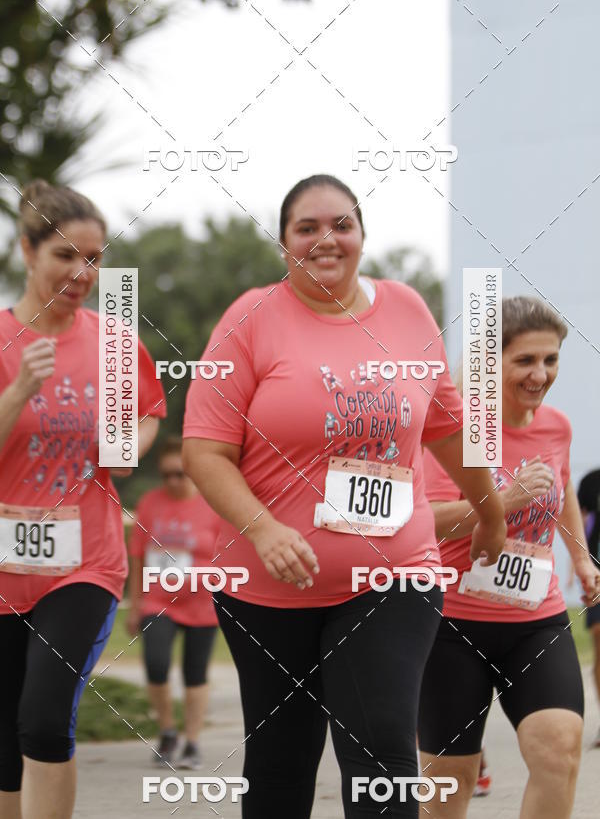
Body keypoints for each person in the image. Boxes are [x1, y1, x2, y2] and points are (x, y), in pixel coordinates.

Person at [181, 174, 506, 818]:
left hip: (394, 573)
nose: (325, 240)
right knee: (281, 762)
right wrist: (265, 529)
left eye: (342, 225)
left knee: (383, 747)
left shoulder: (407, 310)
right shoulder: (249, 319)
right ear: (283, 244)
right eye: (307, 228)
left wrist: (489, 513)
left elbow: (447, 428)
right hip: (266, 588)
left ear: (362, 237)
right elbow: (203, 451)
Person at [0, 180, 166, 819]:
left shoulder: (115, 341)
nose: (83, 272)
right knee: (6, 733)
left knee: (43, 718)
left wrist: (134, 445)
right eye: (66, 255)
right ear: (27, 250)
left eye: (95, 258)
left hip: (84, 561)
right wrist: (18, 391)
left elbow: (149, 412)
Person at [418, 295, 600, 818]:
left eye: (551, 360)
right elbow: (424, 520)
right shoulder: (455, 433)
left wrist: (581, 558)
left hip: (535, 620)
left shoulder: (556, 427)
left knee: (560, 748)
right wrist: (504, 501)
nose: (540, 374)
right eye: (525, 360)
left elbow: (561, 488)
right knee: (452, 782)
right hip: (452, 623)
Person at [127, 435, 220, 769]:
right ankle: (167, 732)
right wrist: (136, 604)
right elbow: (137, 555)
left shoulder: (214, 503)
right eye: (166, 475)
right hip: (158, 601)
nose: (173, 481)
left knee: (195, 674)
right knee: (156, 663)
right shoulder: (150, 503)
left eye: (180, 473)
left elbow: (229, 554)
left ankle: (192, 742)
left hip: (202, 604)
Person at [575, 467, 600, 746]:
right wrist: (578, 562)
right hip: (598, 574)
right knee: (598, 638)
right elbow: (577, 522)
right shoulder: (591, 481)